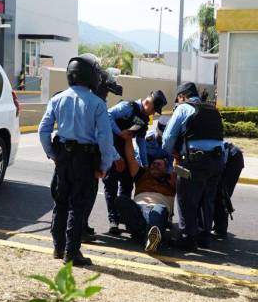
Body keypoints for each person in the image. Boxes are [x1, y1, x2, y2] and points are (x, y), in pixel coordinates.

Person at [39, 53, 116, 266]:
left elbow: (43, 130)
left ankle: (58, 247)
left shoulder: (57, 98)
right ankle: (72, 253)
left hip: (63, 157)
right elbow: (105, 139)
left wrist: (53, 154)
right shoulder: (98, 104)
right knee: (77, 204)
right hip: (85, 159)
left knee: (60, 202)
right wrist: (104, 165)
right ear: (90, 76)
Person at [162, 82, 225, 251]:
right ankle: (204, 237)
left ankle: (188, 238)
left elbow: (168, 137)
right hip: (217, 160)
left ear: (182, 96)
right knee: (207, 199)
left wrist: (172, 153)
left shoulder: (184, 108)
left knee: (185, 198)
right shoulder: (213, 109)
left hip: (194, 161)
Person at [104, 90, 168, 234]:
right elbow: (108, 115)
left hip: (126, 150)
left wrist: (144, 165)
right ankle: (113, 220)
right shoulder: (128, 107)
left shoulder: (144, 119)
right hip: (111, 147)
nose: (152, 114)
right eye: (153, 110)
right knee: (111, 184)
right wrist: (119, 132)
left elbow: (141, 142)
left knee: (127, 184)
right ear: (147, 103)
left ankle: (124, 216)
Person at [116, 137, 176, 252]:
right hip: (138, 209)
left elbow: (176, 165)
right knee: (121, 200)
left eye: (159, 165)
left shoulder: (171, 179)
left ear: (166, 168)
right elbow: (131, 158)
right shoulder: (142, 174)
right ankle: (150, 238)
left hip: (158, 209)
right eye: (153, 164)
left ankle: (147, 236)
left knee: (158, 209)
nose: (154, 166)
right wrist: (128, 139)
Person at [212, 142, 244, 239]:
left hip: (233, 159)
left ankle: (220, 231)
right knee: (218, 192)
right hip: (229, 157)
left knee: (221, 194)